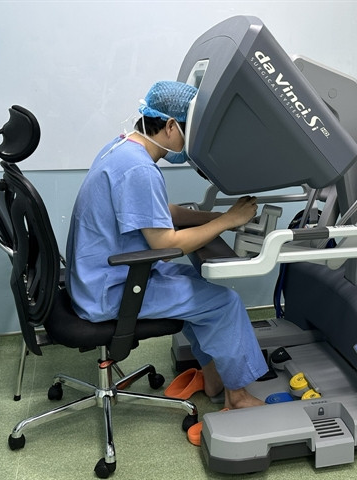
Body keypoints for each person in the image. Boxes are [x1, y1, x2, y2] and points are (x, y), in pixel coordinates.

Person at [66, 80, 268, 409]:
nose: (193, 142)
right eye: (192, 132)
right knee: (225, 302)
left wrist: (217, 216)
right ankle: (239, 397)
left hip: (98, 276)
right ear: (171, 126)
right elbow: (167, 242)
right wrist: (226, 222)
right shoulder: (140, 169)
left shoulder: (121, 148)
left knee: (199, 285)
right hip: (111, 291)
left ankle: (214, 378)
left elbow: (161, 212)